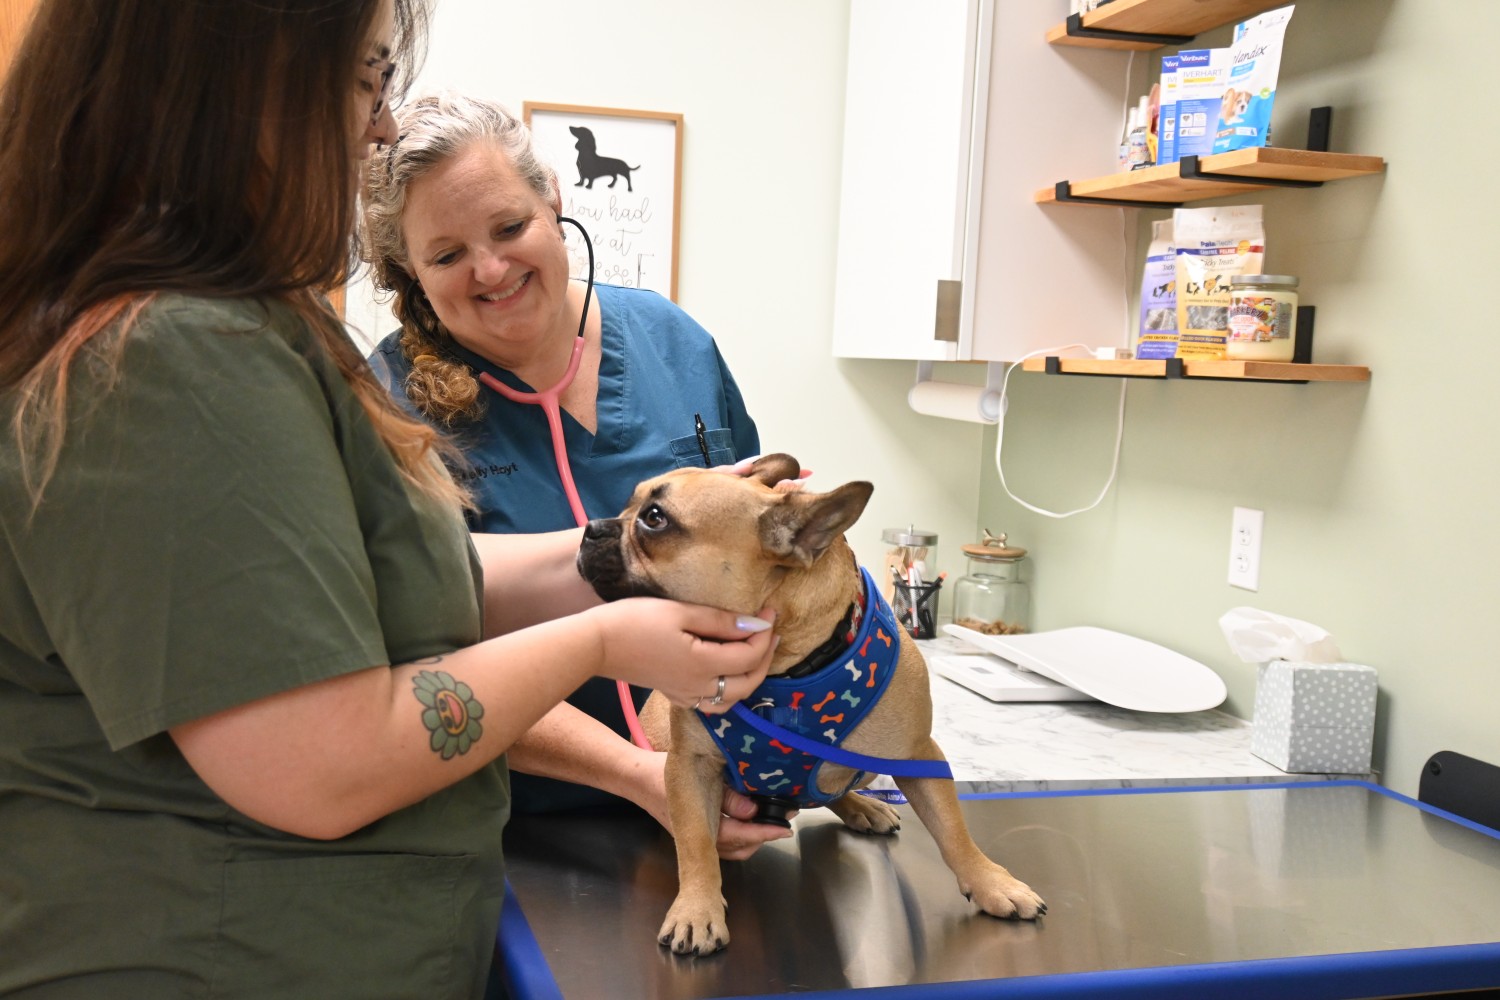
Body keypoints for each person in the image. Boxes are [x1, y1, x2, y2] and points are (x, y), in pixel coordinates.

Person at [0, 2, 776, 996]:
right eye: (366, 79)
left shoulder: (253, 325)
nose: (378, 123)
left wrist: (614, 556)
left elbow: (378, 581)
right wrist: (604, 640)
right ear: (240, 84)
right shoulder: (173, 355)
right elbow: (323, 762)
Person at [359, 93, 785, 851]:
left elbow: (759, 569)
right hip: (517, 838)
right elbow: (419, 661)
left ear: (553, 199)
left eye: (510, 227)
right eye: (448, 255)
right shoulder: (388, 406)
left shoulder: (671, 341)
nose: (491, 269)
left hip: (722, 798)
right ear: (410, 273)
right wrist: (637, 774)